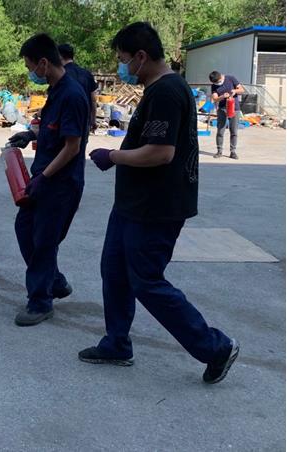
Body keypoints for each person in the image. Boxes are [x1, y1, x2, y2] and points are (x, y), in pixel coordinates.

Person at [80, 22, 239, 384]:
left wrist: (113, 156)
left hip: (156, 207)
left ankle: (216, 347)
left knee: (146, 281)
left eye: (123, 59)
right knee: (114, 271)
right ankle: (116, 343)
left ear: (141, 56)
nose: (122, 67)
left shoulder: (166, 92)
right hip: (133, 203)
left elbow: (160, 153)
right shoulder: (157, 89)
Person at [8, 34, 89, 326]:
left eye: (30, 66)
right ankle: (54, 281)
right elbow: (52, 129)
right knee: (24, 228)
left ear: (43, 63)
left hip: (60, 183)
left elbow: (72, 147)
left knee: (43, 242)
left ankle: (40, 302)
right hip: (43, 177)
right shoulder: (55, 90)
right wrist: (30, 134)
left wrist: (44, 177)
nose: (30, 72)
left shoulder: (72, 95)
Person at [58, 43, 98, 132]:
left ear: (59, 56)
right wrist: (93, 120)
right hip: (84, 121)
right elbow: (93, 100)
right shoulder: (87, 74)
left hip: (64, 122)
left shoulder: (60, 75)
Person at [209, 71, 244, 159]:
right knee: (220, 131)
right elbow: (215, 98)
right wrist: (222, 96)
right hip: (222, 109)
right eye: (215, 83)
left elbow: (242, 90)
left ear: (221, 77)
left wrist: (235, 91)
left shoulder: (231, 78)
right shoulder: (214, 85)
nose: (218, 84)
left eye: (218, 82)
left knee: (234, 131)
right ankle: (219, 151)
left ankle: (233, 152)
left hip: (234, 108)